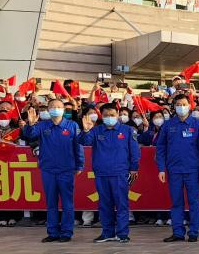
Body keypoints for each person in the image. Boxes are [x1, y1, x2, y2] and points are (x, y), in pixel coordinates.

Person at [23, 99, 84, 242]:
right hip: (48, 169)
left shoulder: (72, 125)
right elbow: (30, 135)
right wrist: (30, 124)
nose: (55, 109)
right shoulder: (43, 125)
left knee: (67, 202)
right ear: (48, 110)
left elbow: (78, 146)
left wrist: (79, 165)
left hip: (66, 169)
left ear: (63, 110)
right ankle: (53, 232)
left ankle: (66, 232)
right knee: (51, 202)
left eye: (58, 107)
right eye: (52, 107)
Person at [79, 103, 140, 243]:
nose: (109, 118)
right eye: (106, 115)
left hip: (120, 173)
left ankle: (122, 233)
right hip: (101, 173)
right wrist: (86, 130)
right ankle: (108, 233)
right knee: (104, 204)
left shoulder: (127, 130)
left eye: (112, 115)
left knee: (121, 204)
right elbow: (84, 141)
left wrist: (134, 168)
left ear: (118, 114)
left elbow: (134, 151)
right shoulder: (96, 130)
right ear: (102, 116)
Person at [156, 95, 199, 243]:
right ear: (174, 107)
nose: (181, 107)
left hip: (192, 169)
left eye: (184, 104)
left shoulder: (197, 125)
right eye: (178, 104)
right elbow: (160, 148)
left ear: (189, 106)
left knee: (194, 201)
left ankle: (194, 232)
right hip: (174, 170)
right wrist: (161, 168)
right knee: (176, 202)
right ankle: (178, 232)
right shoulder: (168, 125)